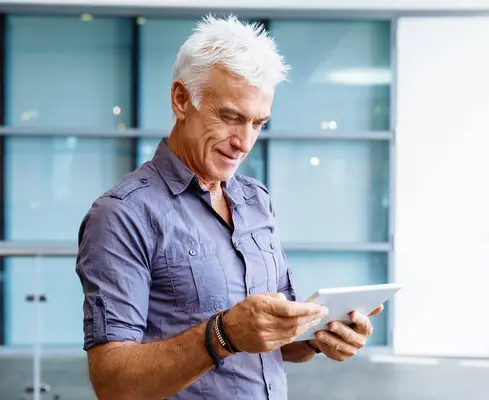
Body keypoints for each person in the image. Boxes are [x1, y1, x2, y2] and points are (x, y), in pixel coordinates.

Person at [76, 15, 383, 400]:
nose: (244, 141)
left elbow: (274, 340)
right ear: (181, 99)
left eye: (258, 123)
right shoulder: (122, 215)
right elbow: (112, 383)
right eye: (230, 117)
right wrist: (222, 335)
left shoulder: (256, 200)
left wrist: (319, 339)